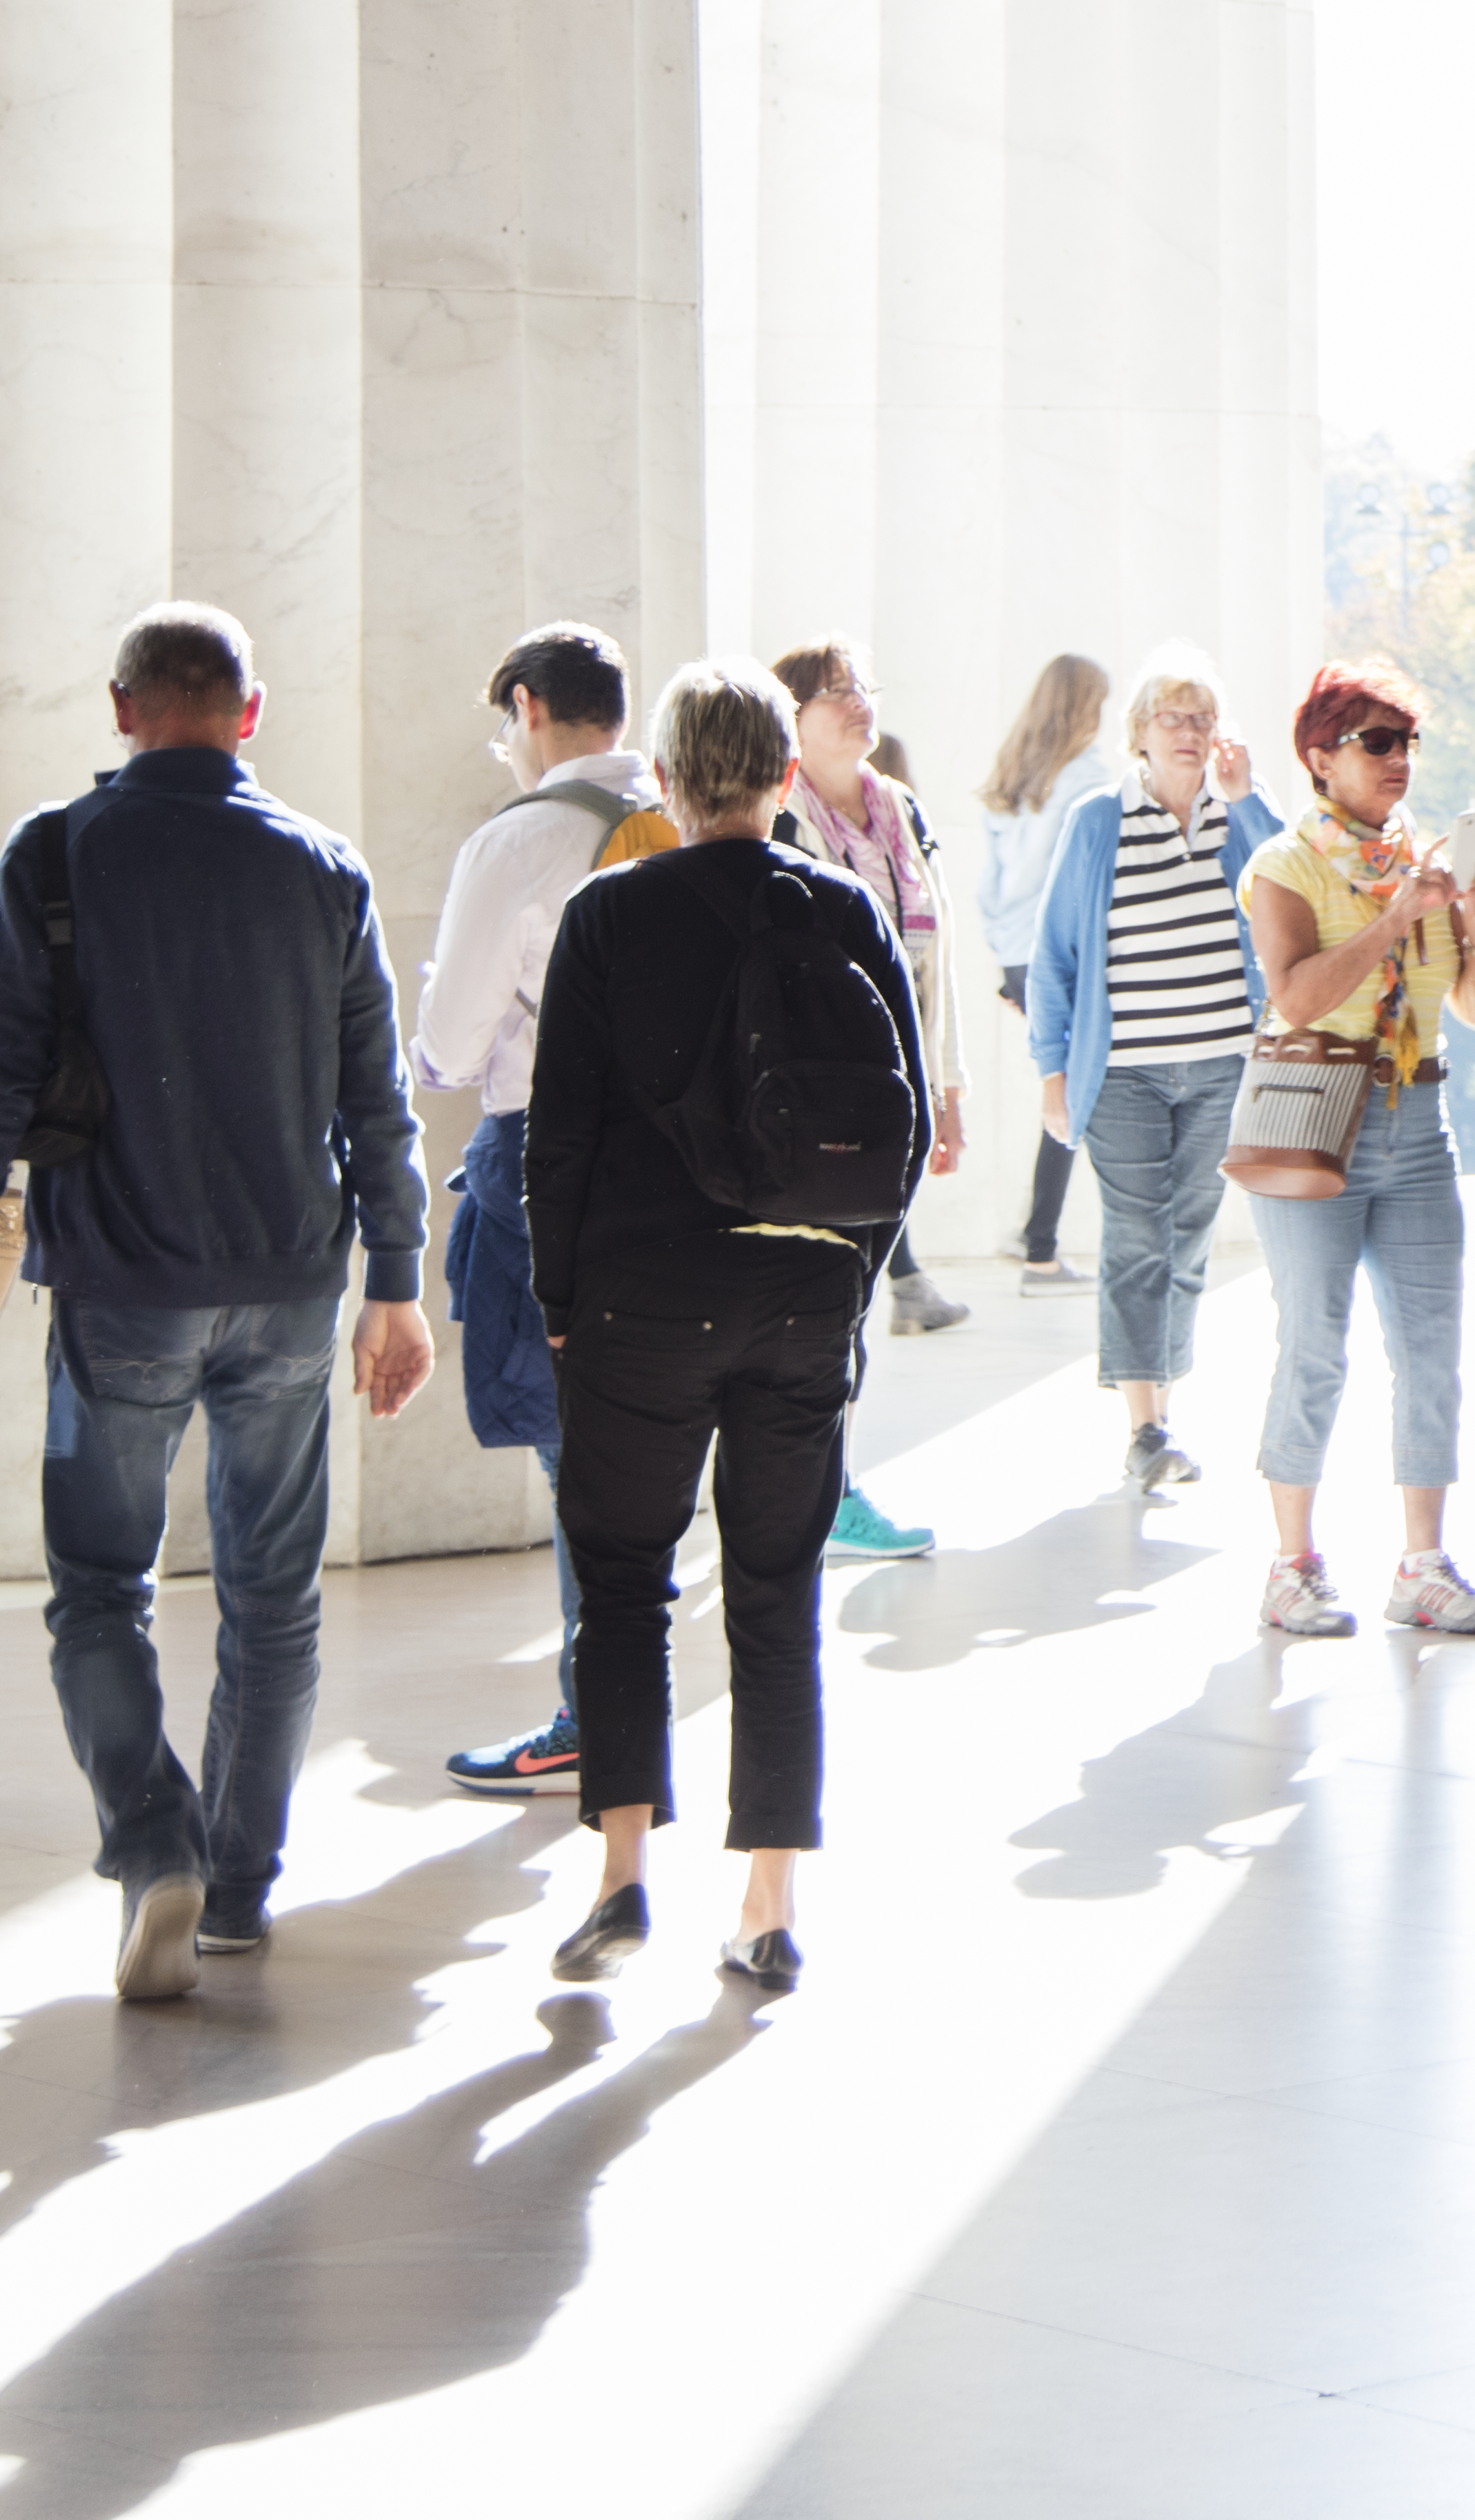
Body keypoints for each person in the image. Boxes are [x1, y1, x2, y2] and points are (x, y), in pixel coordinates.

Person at [0, 604, 435, 2002]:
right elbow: (377, 1104)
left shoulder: (56, 853)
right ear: (250, 714)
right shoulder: (326, 867)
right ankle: (241, 1889)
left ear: (124, 708)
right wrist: (397, 1282)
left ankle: (156, 1848)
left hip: (121, 1293)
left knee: (98, 1590)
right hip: (289, 1290)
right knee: (275, 1600)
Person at [525, 663, 919, 1993]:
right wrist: (849, 1285)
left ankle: (622, 1874)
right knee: (776, 1591)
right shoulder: (845, 908)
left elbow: (560, 1142)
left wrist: (560, 1311)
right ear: (773, 774)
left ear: (674, 779)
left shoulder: (607, 914)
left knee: (626, 1584)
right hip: (800, 1292)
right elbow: (900, 1122)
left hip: (639, 1302)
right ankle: (767, 1903)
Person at [414, 625, 688, 1797]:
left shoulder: (521, 838)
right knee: (636, 1451)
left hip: (549, 1159)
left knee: (576, 1457)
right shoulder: (685, 818)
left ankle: (597, 1714)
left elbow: (450, 1043)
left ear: (529, 708)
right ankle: (629, 1700)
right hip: (679, 1168)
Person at [1221, 661, 1475, 1635]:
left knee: (1432, 1351)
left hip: (1417, 1122)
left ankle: (1422, 1565)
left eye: (1408, 743)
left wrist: (1474, 931)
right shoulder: (1284, 865)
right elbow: (1295, 995)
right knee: (1315, 1346)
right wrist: (1395, 919)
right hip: (1316, 1112)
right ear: (1320, 758)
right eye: (1377, 742)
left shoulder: (1427, 866)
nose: (1400, 761)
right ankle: (1291, 1564)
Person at [1027, 664, 1277, 1499]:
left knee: (1191, 1234)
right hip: (1126, 1071)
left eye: (1201, 715)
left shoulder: (1232, 813)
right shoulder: (1099, 819)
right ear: (1139, 731)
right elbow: (1056, 952)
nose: (1186, 729)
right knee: (1138, 1235)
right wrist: (1051, 1068)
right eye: (1169, 715)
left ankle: (1161, 1404)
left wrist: (1245, 798)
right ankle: (1145, 1425)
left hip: (1220, 1063)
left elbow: (1291, 886)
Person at [772, 641, 975, 1415]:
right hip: (821, 1089)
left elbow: (938, 956)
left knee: (852, 1289)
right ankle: (823, 1487)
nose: (858, 700)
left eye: (862, 686)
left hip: (899, 1085)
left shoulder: (900, 807)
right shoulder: (780, 818)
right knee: (825, 1296)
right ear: (790, 714)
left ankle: (827, 1482)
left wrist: (947, 1085)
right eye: (833, 691)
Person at [971, 652, 1117, 1282]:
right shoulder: (1088, 779)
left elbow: (994, 883)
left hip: (1019, 953)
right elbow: (1087, 885)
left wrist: (1011, 965)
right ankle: (1039, 1248)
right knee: (1083, 1094)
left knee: (1068, 1089)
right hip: (1067, 956)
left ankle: (1038, 1240)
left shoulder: (1012, 775)